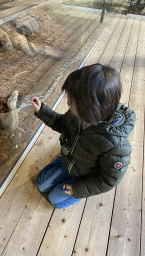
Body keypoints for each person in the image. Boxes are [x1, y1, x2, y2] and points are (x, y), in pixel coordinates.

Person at [31, 63, 136, 209]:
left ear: (89, 109)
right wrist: (42, 111)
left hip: (85, 177)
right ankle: (62, 165)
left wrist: (78, 189)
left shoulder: (116, 147)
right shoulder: (78, 115)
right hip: (68, 162)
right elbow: (61, 123)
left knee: (55, 200)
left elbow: (107, 180)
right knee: (41, 184)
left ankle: (72, 186)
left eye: (71, 101)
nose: (67, 103)